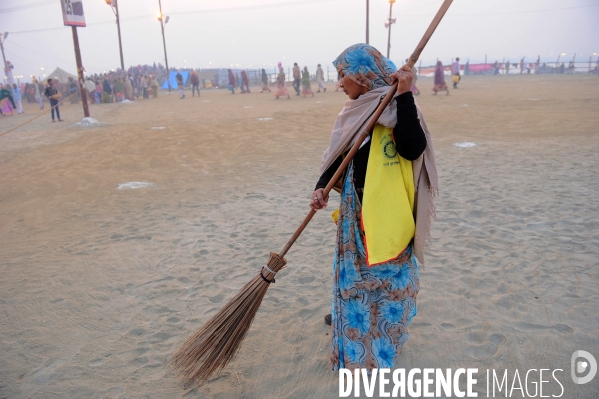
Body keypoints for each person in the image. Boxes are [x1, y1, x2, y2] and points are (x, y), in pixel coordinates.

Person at [311, 43, 436, 372]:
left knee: (387, 282)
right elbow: (337, 157)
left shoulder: (395, 105)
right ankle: (348, 327)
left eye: (343, 75)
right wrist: (321, 188)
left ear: (362, 77)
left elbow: (412, 148)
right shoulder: (350, 112)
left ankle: (381, 344)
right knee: (353, 280)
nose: (340, 83)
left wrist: (405, 95)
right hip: (355, 213)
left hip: (389, 214)